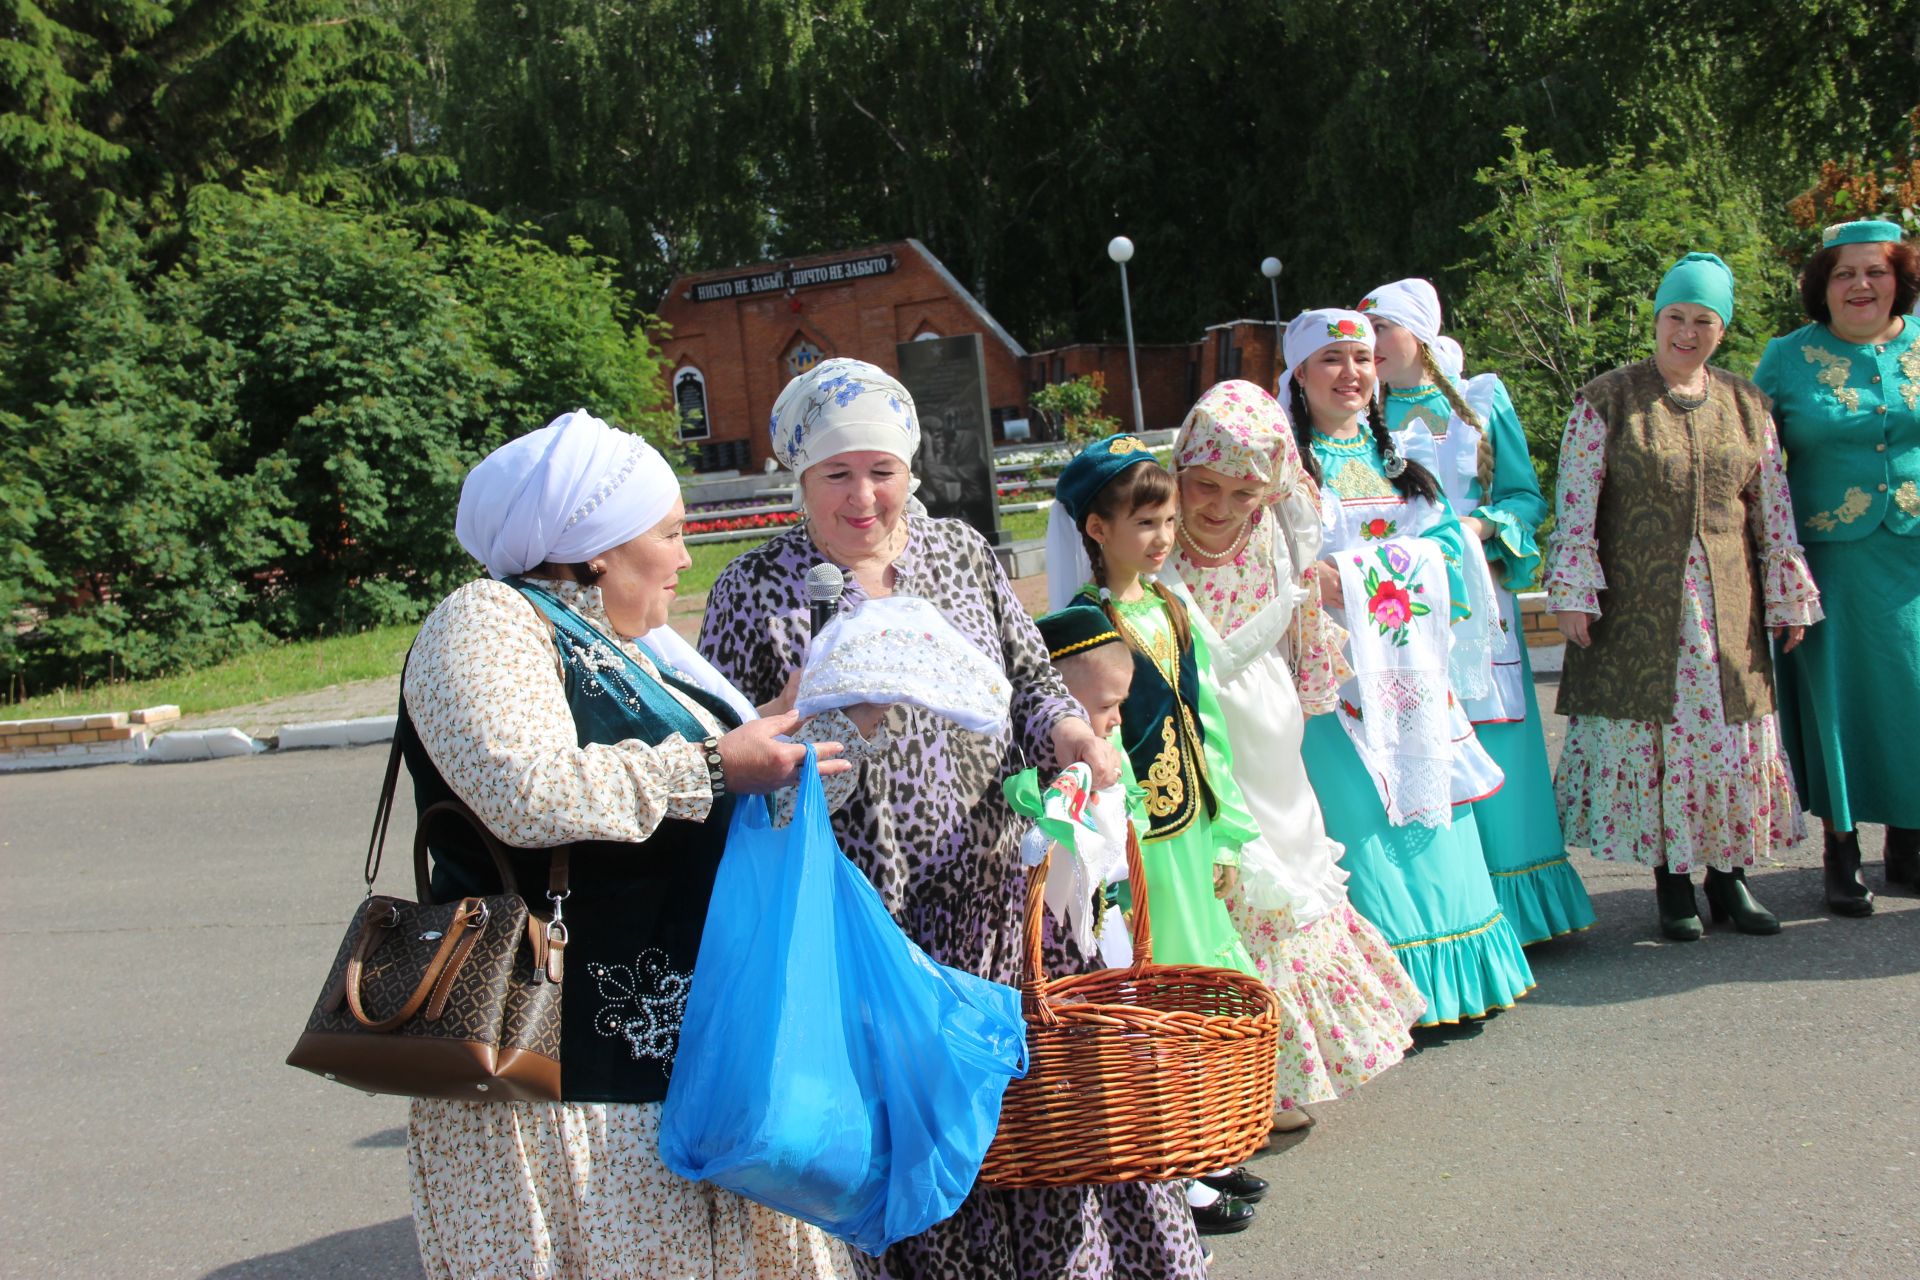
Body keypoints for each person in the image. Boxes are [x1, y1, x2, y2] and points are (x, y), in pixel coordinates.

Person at [698, 360, 1208, 1279]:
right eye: (837, 474)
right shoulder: (754, 589)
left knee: (1045, 1130)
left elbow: (1030, 677)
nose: (865, 496)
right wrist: (817, 730)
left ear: (910, 466)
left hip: (1002, 906)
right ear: (799, 476)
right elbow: (744, 775)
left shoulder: (960, 553)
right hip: (874, 928)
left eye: (882, 470)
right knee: (924, 1154)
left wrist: (1066, 735)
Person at [401, 410, 854, 1279]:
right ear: (596, 545)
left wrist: (769, 743)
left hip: (678, 1053)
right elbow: (526, 791)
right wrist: (717, 767)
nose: (686, 559)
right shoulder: (488, 620)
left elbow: (659, 780)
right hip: (557, 1061)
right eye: (673, 533)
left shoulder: (626, 646)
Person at [1166, 379, 1427, 1128]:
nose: (1219, 508)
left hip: (1270, 725)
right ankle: (1228, 1073)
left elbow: (1302, 623)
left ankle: (1282, 1074)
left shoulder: (1284, 528)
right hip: (1192, 727)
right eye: (1204, 486)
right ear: (1180, 469)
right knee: (1224, 883)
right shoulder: (1152, 533)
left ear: (1271, 485)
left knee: (1289, 871)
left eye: (1244, 491)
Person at [1547, 253, 1823, 940]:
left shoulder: (1746, 403)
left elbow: (1773, 506)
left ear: (1722, 330)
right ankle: (1672, 881)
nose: (1688, 332)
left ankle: (1728, 879)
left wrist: (1787, 596)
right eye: (1677, 317)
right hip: (1642, 610)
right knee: (1661, 740)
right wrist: (1576, 590)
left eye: (1705, 320)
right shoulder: (1607, 399)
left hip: (1728, 608)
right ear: (1657, 319)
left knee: (1727, 741)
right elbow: (1576, 503)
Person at [1285, 307, 1536, 1025]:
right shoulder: (1289, 472)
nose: (1352, 373)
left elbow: (1453, 547)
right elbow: (1270, 559)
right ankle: (1387, 996)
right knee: (1364, 825)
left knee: (1433, 821)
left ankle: (1456, 984)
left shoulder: (1402, 464)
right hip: (1334, 683)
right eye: (1331, 360)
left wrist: (1383, 569)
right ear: (1299, 373)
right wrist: (1316, 575)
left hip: (1413, 678)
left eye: (1362, 359)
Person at [1361, 279, 1596, 944]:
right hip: (1396, 604)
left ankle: (1519, 906)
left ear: (1419, 334)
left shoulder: (1481, 400)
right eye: (1363, 333)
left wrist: (1478, 532)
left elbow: (1524, 497)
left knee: (1493, 743)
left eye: (1382, 330)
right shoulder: (1356, 412)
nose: (1369, 346)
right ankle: (1454, 909)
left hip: (1476, 601)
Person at [1033, 603, 1265, 1239]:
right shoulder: (1047, 776)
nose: (1115, 721)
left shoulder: (1108, 752)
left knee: (1139, 1040)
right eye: (1105, 707)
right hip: (1070, 942)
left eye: (1119, 705)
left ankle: (1173, 1168)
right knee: (1114, 1055)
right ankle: (1160, 1182)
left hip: (1112, 923)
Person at [1753, 218, 1920, 912]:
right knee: (1837, 701)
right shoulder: (1786, 357)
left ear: (1899, 280)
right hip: (1826, 562)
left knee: (1913, 696)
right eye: (1844, 273)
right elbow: (1753, 460)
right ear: (1822, 285)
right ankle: (1841, 845)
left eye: (1875, 271)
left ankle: (1910, 840)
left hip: (1913, 553)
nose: (1860, 285)